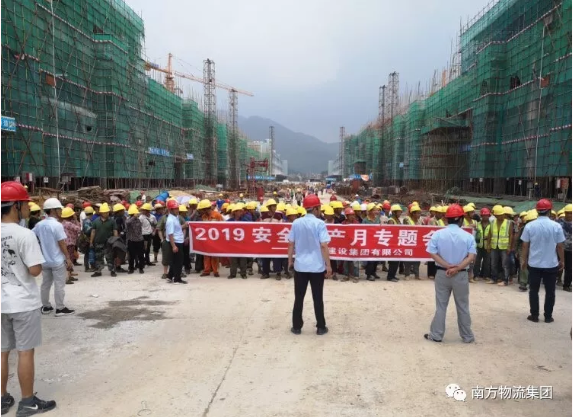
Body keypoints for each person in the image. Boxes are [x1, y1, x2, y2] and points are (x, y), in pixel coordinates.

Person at [1, 182, 57, 416]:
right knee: (25, 351)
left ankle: (2, 399)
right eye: (25, 204)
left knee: (2, 351)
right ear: (15, 206)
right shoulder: (24, 234)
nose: (27, 208)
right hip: (22, 301)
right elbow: (35, 270)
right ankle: (27, 402)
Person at [424, 204, 476, 343]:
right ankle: (467, 336)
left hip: (442, 273)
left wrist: (447, 265)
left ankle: (436, 335)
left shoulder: (438, 234)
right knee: (463, 306)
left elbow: (432, 253)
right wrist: (457, 268)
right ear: (461, 219)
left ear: (447, 219)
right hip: (461, 274)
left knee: (441, 306)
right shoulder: (468, 236)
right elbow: (471, 257)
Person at [288, 194, 332, 336]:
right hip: (316, 267)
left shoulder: (296, 223)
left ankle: (296, 327)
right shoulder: (320, 224)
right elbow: (324, 245)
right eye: (319, 208)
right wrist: (328, 265)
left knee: (299, 298)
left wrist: (290, 261)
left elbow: (291, 243)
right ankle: (321, 327)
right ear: (315, 208)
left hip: (300, 266)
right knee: (318, 298)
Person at [521, 199, 565, 323]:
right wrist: (562, 260)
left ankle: (534, 315)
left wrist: (524, 260)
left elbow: (525, 245)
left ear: (537, 210)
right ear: (550, 210)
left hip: (534, 264)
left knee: (533, 290)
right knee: (550, 291)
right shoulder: (556, 226)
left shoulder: (529, 226)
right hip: (551, 264)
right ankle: (548, 316)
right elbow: (560, 246)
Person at [33, 198, 75, 317]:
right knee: (59, 285)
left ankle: (46, 306)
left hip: (45, 260)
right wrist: (68, 258)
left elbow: (32, 236)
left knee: (45, 284)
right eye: (59, 209)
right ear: (52, 210)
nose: (61, 211)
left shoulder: (39, 224)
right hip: (57, 260)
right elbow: (62, 243)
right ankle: (60, 308)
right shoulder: (57, 225)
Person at [89, 203, 118, 277]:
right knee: (98, 257)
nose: (107, 214)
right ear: (101, 213)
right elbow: (93, 231)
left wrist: (116, 240)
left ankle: (112, 270)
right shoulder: (96, 221)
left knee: (110, 257)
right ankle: (98, 271)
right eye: (105, 212)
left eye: (107, 212)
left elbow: (115, 231)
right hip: (98, 242)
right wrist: (91, 241)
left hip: (109, 242)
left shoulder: (112, 221)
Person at [487, 205, 513, 286]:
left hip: (504, 247)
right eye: (499, 215)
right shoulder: (492, 222)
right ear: (496, 215)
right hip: (494, 246)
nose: (501, 216)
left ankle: (505, 280)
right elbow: (489, 234)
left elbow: (511, 235)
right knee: (493, 263)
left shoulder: (508, 223)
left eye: (502, 215)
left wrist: (509, 246)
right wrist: (488, 245)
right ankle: (494, 279)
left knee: (504, 264)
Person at [198, 199, 223, 277]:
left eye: (202, 210)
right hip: (207, 239)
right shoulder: (203, 217)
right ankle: (207, 270)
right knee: (206, 255)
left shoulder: (217, 215)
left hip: (215, 239)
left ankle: (215, 271)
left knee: (214, 255)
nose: (201, 211)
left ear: (205, 209)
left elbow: (223, 226)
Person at [165, 200, 187, 284]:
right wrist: (174, 246)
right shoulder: (170, 220)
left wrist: (183, 226)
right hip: (175, 241)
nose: (177, 210)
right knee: (178, 261)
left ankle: (170, 276)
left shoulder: (175, 217)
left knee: (175, 260)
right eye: (175, 209)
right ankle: (177, 279)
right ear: (170, 210)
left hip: (178, 240)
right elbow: (170, 234)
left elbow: (176, 228)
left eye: (177, 208)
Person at [227, 204, 249, 279]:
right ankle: (233, 274)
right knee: (233, 260)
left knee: (243, 259)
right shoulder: (229, 221)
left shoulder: (245, 220)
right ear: (235, 212)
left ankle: (243, 274)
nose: (240, 213)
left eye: (241, 211)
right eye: (239, 211)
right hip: (233, 243)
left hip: (242, 243)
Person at [61, 207, 81, 284]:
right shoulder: (68, 224)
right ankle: (67, 277)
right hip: (70, 244)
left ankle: (69, 275)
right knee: (69, 260)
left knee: (68, 259)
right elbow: (78, 229)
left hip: (66, 243)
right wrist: (76, 219)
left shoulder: (63, 223)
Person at [403, 204, 423, 280]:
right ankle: (407, 274)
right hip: (409, 241)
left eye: (419, 213)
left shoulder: (420, 221)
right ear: (413, 213)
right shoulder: (407, 220)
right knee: (408, 259)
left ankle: (417, 275)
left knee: (417, 259)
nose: (419, 215)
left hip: (417, 242)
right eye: (417, 213)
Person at [125, 204, 145, 274]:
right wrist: (133, 217)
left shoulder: (138, 220)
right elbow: (127, 223)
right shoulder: (128, 220)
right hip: (131, 240)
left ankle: (141, 268)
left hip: (139, 240)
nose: (137, 214)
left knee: (141, 255)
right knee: (131, 256)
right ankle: (131, 268)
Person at [473, 208, 491, 282]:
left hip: (487, 246)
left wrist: (488, 237)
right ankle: (475, 275)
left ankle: (485, 276)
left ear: (489, 216)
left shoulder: (491, 224)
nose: (485, 217)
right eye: (483, 215)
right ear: (481, 216)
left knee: (487, 262)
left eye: (486, 215)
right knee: (477, 261)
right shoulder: (478, 224)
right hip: (479, 246)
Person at [557, 204, 572, 292]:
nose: (569, 215)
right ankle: (555, 280)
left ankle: (566, 285)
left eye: (571, 213)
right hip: (559, 248)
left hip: (571, 250)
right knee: (556, 265)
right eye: (567, 213)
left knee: (569, 268)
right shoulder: (559, 223)